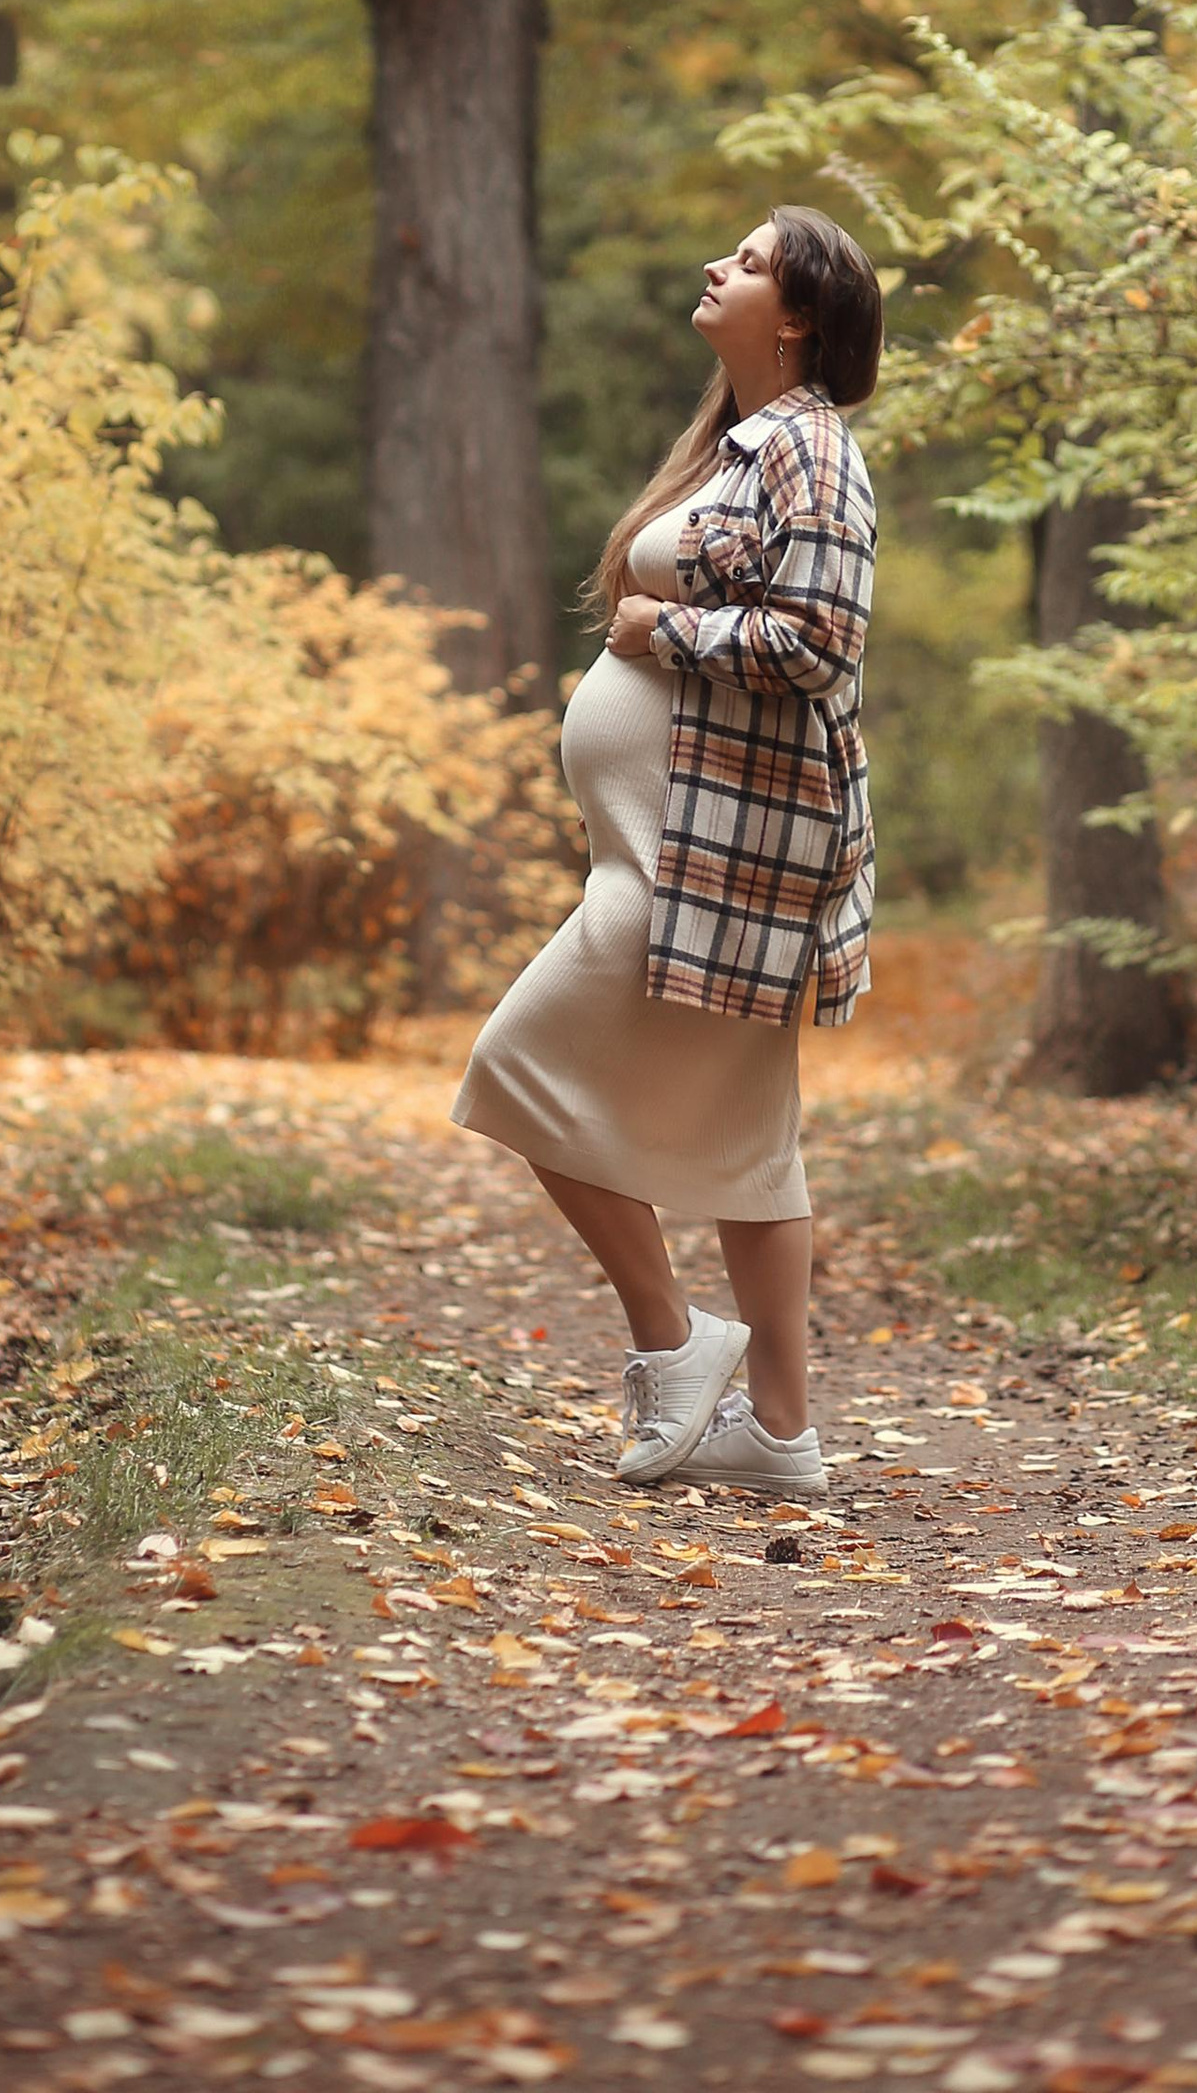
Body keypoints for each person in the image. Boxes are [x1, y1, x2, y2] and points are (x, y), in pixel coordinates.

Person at [451, 206, 881, 1498]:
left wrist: (661, 636)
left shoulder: (812, 452)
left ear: (797, 316)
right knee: (755, 1145)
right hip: (680, 849)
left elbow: (820, 641)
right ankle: (784, 1436)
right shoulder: (742, 449)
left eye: (749, 264)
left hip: (715, 862)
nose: (717, 268)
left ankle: (673, 1338)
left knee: (514, 1065)